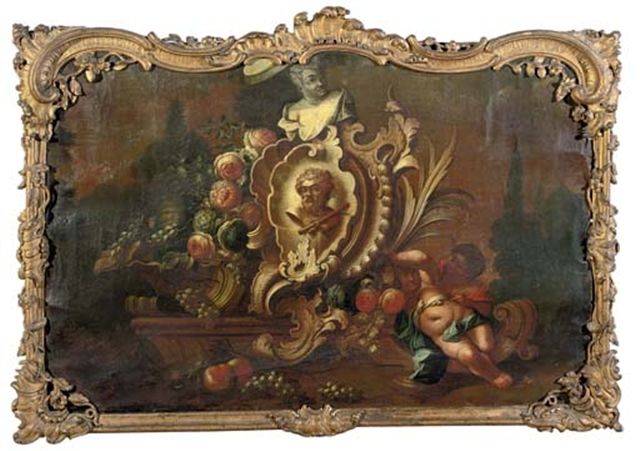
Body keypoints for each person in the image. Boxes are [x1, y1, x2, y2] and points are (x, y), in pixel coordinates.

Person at [392, 245, 513, 388]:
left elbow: (485, 308)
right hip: (444, 333)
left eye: (458, 265)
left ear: (467, 274)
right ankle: (493, 375)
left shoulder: (463, 285)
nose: (449, 263)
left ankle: (481, 365)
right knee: (468, 354)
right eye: (452, 259)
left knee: (486, 345)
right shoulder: (425, 280)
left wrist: (468, 302)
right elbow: (423, 259)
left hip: (467, 318)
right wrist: (394, 258)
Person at [278, 61, 355, 142]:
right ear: (300, 87)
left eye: (321, 78)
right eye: (312, 80)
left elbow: (347, 132)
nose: (320, 83)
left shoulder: (338, 98)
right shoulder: (293, 111)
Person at [286, 167, 344, 236]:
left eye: (315, 189)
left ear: (326, 192)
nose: (308, 194)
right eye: (304, 190)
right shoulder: (295, 212)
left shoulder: (333, 217)